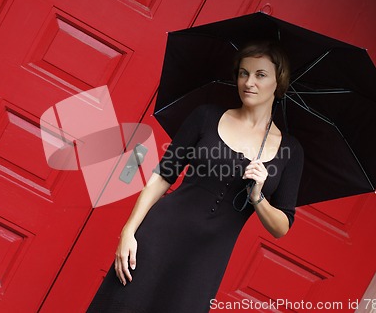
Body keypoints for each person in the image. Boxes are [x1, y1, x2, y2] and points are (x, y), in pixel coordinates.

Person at [87, 40, 304, 313]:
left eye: (261, 75)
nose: (249, 82)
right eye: (243, 73)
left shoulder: (290, 150)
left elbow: (281, 227)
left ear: (278, 82)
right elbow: (163, 176)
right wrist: (128, 231)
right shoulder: (206, 116)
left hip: (206, 260)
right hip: (158, 235)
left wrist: (258, 197)